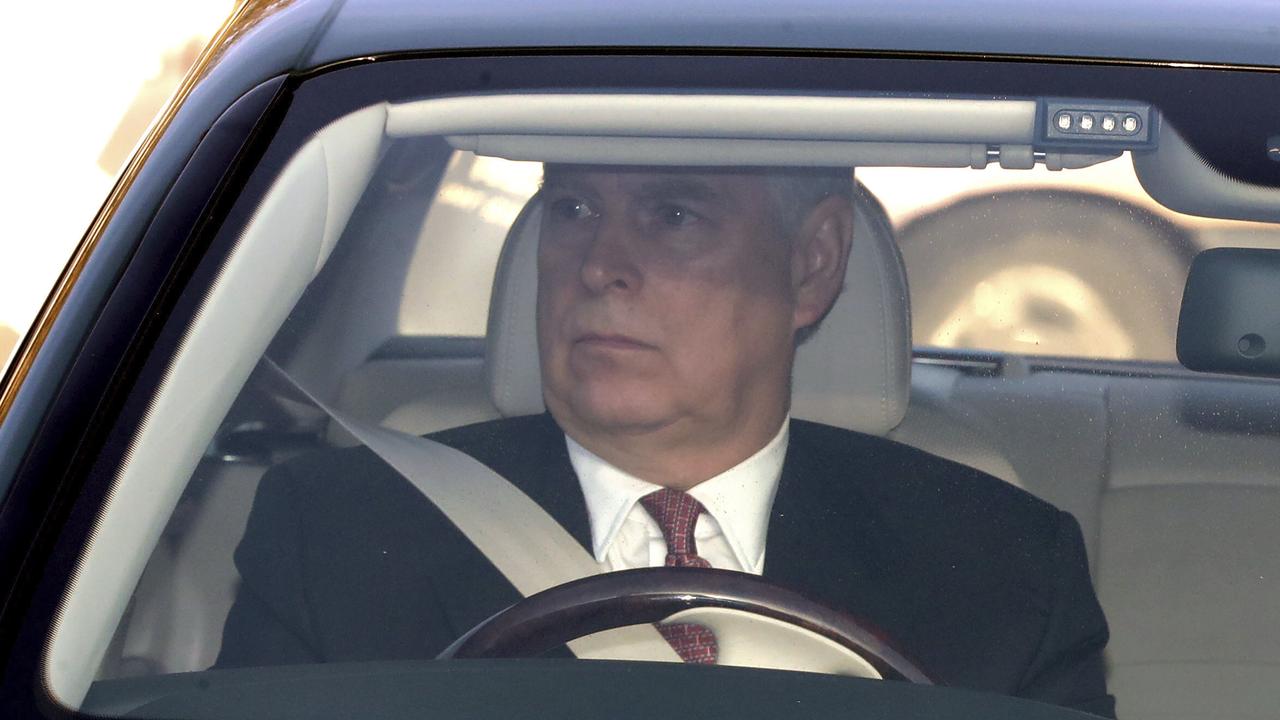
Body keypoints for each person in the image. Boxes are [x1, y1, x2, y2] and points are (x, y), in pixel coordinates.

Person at [218, 164, 1114, 717]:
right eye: (570, 209)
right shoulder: (338, 534)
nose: (599, 264)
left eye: (673, 215)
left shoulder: (1003, 567)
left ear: (812, 264)